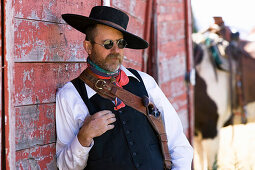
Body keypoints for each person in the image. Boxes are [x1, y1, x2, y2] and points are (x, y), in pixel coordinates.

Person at [56, 6, 193, 170]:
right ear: (88, 47)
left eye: (120, 43)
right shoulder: (70, 95)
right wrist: (84, 137)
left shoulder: (145, 82)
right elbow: (65, 166)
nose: (116, 50)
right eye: (108, 44)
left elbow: (178, 144)